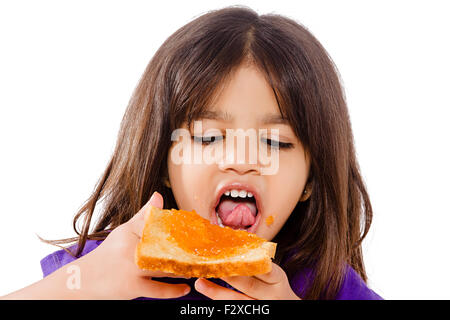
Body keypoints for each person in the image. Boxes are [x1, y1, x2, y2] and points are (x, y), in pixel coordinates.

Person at [1, 6, 382, 300]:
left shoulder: (326, 282)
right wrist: (87, 282)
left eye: (274, 142)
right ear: (165, 163)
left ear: (310, 181)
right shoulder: (112, 265)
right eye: (207, 137)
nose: (242, 159)